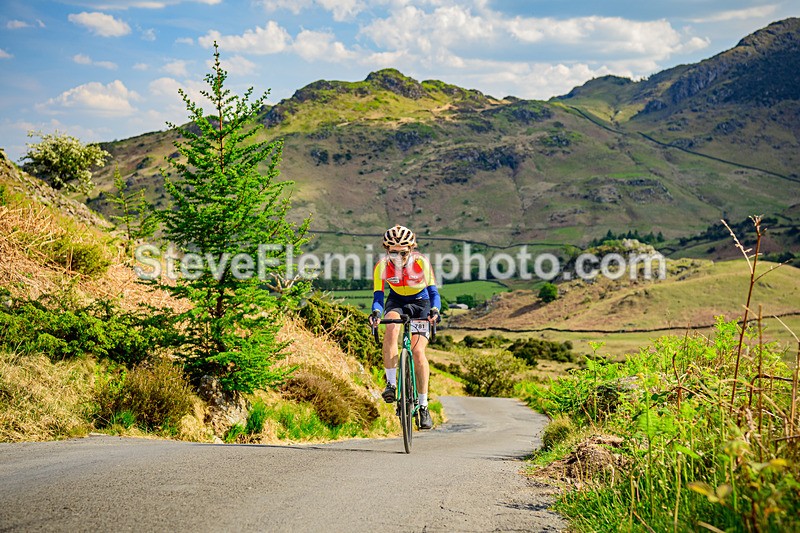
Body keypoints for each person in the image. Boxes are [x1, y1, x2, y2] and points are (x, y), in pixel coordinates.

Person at [369, 224, 441, 430]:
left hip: (421, 303)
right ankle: (391, 384)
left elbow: (434, 293)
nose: (398, 256)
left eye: (403, 252)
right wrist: (375, 313)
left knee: (418, 353)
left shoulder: (421, 263)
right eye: (393, 252)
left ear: (411, 249)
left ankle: (423, 406)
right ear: (386, 250)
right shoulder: (382, 266)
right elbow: (378, 297)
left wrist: (435, 310)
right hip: (397, 301)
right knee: (391, 328)